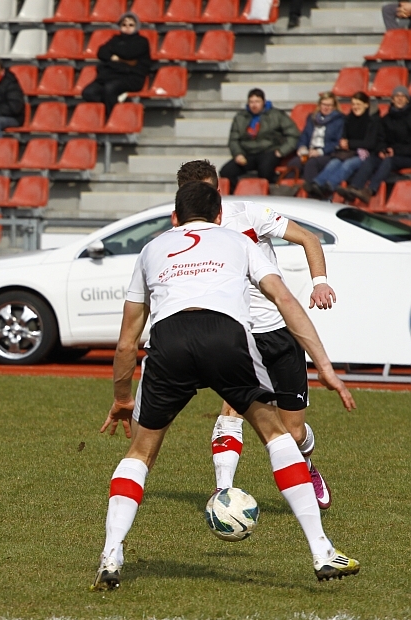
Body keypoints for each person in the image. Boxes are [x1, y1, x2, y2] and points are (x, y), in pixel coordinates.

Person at [93, 181, 359, 591]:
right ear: (219, 215)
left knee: (140, 453)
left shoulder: (151, 249)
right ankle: (322, 551)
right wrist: (324, 367)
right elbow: (286, 301)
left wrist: (121, 398)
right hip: (225, 336)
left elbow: (127, 342)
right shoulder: (238, 240)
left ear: (174, 217)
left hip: (169, 340)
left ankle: (111, 554)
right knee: (275, 434)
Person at [177, 160, 338, 509]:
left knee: (294, 432)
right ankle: (223, 494)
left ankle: (307, 464)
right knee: (231, 411)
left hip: (278, 334)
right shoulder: (182, 235)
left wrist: (320, 283)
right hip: (238, 335)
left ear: (218, 190)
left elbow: (308, 238)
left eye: (207, 192)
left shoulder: (249, 215)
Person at [338, 85, 411, 204]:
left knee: (389, 161)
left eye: (403, 96)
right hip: (390, 153)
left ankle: (370, 190)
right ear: (392, 99)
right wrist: (382, 150)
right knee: (372, 159)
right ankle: (354, 188)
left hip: (406, 156)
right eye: (396, 96)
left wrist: (395, 151)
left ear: (407, 100)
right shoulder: (386, 119)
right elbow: (380, 139)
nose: (399, 99)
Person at [220, 88, 300, 192]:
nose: (254, 105)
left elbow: (294, 134)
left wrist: (281, 152)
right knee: (226, 171)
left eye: (257, 101)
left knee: (265, 171)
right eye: (251, 102)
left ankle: (269, 193)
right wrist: (238, 154)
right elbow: (233, 140)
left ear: (264, 102)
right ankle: (240, 194)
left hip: (269, 151)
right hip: (247, 153)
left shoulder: (276, 115)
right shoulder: (240, 117)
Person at [307, 92, 383, 199]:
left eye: (358, 104)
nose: (355, 107)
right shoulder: (349, 119)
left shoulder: (374, 121)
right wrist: (343, 142)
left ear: (366, 105)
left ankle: (329, 186)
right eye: (353, 104)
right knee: (334, 162)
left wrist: (350, 144)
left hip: (365, 154)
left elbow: (370, 143)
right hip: (348, 152)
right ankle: (316, 183)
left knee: (348, 164)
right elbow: (344, 135)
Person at [82, 12, 151, 118]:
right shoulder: (115, 39)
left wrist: (114, 53)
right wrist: (115, 56)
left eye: (131, 25)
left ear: (136, 26)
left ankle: (112, 118)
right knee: (88, 92)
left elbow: (128, 53)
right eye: (124, 25)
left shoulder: (142, 41)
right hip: (111, 75)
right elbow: (101, 52)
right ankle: (115, 104)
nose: (127, 27)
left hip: (132, 76)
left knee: (110, 89)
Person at [286, 92, 344, 192]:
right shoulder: (312, 118)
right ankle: (287, 192)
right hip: (310, 151)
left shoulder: (340, 120)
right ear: (319, 105)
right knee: (295, 162)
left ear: (334, 106)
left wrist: (320, 151)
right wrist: (302, 147)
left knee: (311, 163)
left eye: (329, 105)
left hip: (327, 154)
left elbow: (338, 142)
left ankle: (312, 193)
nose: (326, 108)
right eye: (324, 104)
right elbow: (305, 135)